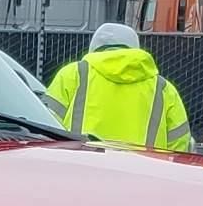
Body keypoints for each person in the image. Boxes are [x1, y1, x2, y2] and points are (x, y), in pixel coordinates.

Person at [46, 22, 191, 152]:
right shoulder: (163, 88)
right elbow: (180, 144)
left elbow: (45, 125)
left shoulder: (72, 75)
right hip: (143, 175)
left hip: (81, 169)